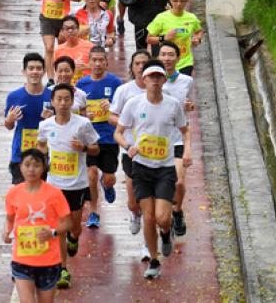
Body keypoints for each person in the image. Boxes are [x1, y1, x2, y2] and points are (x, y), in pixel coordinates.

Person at [114, 60, 190, 279]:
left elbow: (185, 130)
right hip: (142, 167)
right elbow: (118, 132)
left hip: (165, 168)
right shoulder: (134, 104)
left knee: (162, 218)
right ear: (144, 79)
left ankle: (166, 234)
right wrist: (128, 146)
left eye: (159, 77)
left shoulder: (173, 104)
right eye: (151, 77)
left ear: (164, 80)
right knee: (148, 217)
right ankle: (155, 261)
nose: (155, 81)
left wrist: (187, 151)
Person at [37, 84, 100, 289]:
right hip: (55, 185)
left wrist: (82, 147)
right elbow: (40, 146)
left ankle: (75, 238)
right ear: (53, 102)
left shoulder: (82, 124)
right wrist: (42, 162)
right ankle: (62, 269)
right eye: (59, 99)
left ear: (72, 101)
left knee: (74, 226)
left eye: (67, 99)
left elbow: (95, 149)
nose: (63, 103)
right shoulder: (45, 125)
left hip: (77, 184)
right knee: (59, 229)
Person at [3, 148, 71, 302]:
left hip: (49, 261)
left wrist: (52, 232)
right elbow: (9, 218)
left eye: (36, 165)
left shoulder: (55, 194)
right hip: (22, 259)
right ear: (20, 167)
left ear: (44, 168)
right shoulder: (13, 193)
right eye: (27, 165)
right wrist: (6, 231)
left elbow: (68, 222)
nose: (31, 169)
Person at [108, 49, 152, 259]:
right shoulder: (125, 91)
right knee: (134, 202)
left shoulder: (160, 90)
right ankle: (135, 214)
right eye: (137, 63)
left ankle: (148, 244)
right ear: (132, 67)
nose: (141, 66)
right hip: (130, 151)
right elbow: (112, 117)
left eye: (145, 63)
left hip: (154, 154)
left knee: (149, 202)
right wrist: (128, 123)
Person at [76, 46, 123, 228]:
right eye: (94, 60)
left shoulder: (115, 83)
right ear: (89, 62)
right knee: (91, 174)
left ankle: (108, 184)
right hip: (89, 138)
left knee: (109, 177)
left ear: (106, 62)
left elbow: (122, 110)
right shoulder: (81, 85)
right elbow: (77, 112)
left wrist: (111, 106)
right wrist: (84, 115)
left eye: (100, 60)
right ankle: (94, 211)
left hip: (109, 138)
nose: (97, 63)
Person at [157, 41, 196, 237]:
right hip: (157, 141)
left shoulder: (186, 81)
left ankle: (178, 211)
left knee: (179, 183)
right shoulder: (153, 80)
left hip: (178, 139)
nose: (166, 59)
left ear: (178, 58)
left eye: (170, 55)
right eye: (163, 54)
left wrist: (189, 106)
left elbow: (187, 105)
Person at [5, 53, 53, 184]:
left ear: (43, 72)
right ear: (24, 71)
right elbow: (9, 126)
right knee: (21, 195)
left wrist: (50, 120)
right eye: (31, 68)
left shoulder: (52, 96)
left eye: (38, 68)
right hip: (20, 154)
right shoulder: (14, 96)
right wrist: (9, 120)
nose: (35, 72)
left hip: (45, 154)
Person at [35, 0, 81, 82]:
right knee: (49, 48)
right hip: (46, 18)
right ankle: (50, 78)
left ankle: (62, 75)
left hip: (63, 20)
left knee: (62, 48)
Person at [147, 0, 204, 75]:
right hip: (166, 62)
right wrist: (164, 37)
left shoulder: (191, 18)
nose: (178, 4)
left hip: (185, 62)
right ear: (170, 0)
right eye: (175, 0)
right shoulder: (161, 18)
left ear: (187, 1)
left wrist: (198, 39)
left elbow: (199, 31)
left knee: (182, 88)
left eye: (182, 1)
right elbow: (149, 39)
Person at [54, 16, 95, 84]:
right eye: (67, 28)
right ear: (62, 31)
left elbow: (101, 69)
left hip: (87, 84)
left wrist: (87, 67)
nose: (70, 31)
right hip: (67, 87)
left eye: (73, 28)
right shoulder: (58, 50)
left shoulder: (90, 47)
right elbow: (57, 74)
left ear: (78, 29)